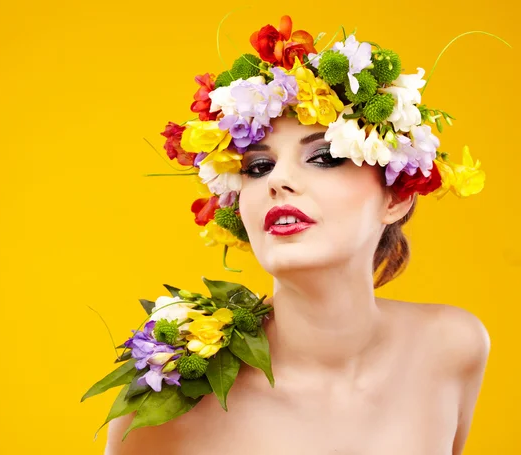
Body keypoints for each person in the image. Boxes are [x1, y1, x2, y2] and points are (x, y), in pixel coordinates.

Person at [102, 15, 491, 455]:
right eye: (257, 167)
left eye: (324, 157)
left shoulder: (452, 346)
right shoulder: (166, 397)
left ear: (397, 197)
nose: (277, 181)